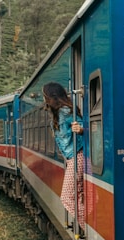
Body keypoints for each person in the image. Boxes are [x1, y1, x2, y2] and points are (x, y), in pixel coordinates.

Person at [42, 81, 85, 231]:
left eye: (45, 96)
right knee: (78, 195)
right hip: (72, 158)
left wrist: (80, 129)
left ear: (53, 97)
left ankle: (88, 228)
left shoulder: (66, 111)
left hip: (77, 156)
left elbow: (81, 125)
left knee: (67, 198)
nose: (44, 100)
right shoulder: (57, 113)